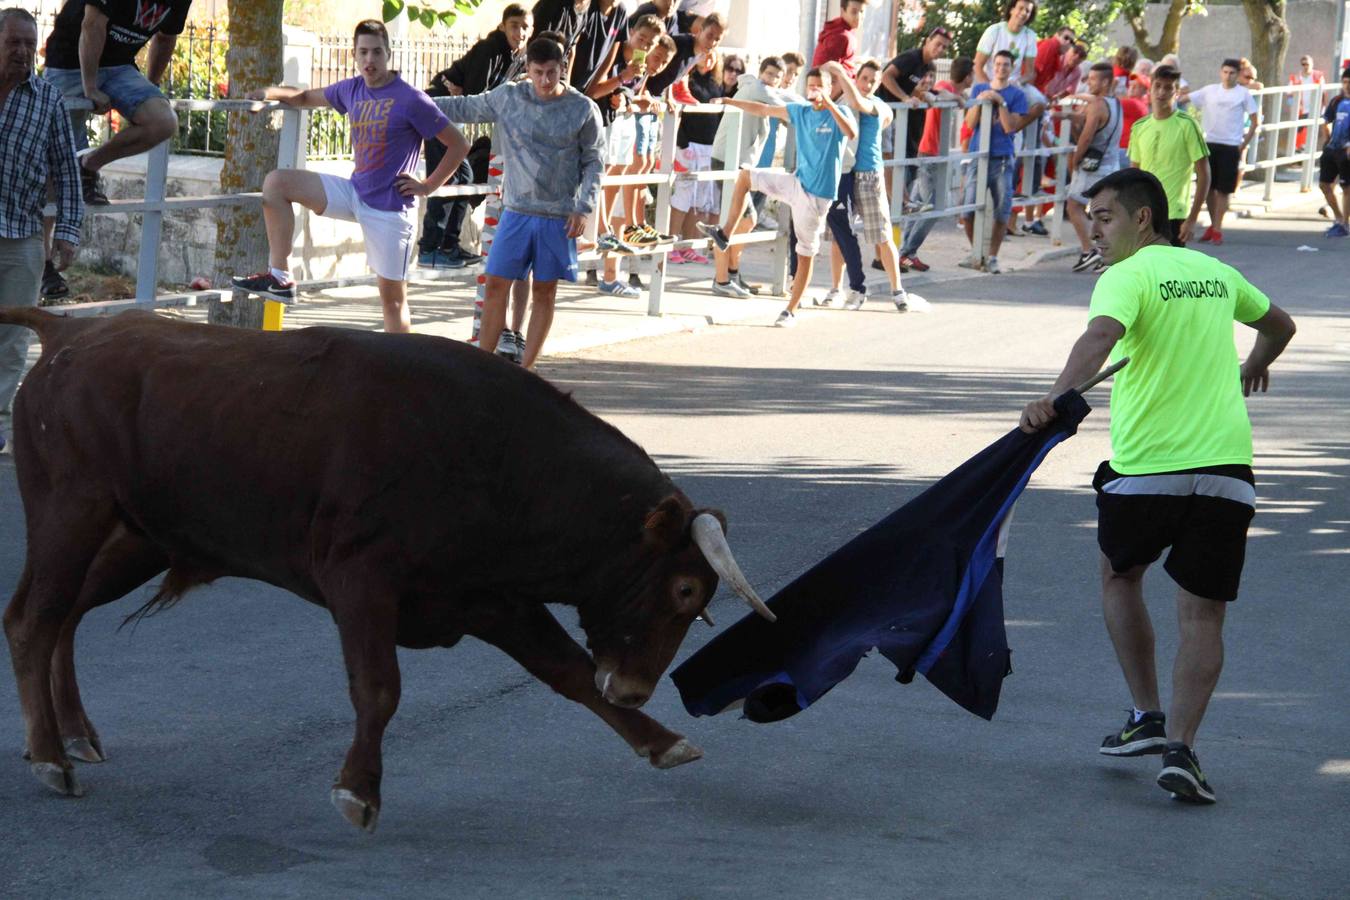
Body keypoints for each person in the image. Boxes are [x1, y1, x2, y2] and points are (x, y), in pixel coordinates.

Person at [1019, 166, 1296, 806]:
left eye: (1105, 216)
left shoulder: (1127, 275)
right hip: (1228, 472)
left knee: (1120, 576)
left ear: (1143, 218)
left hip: (1148, 470)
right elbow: (1280, 324)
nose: (1094, 228)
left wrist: (1055, 398)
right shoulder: (1216, 274)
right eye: (1091, 217)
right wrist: (1253, 365)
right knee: (1203, 614)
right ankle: (1183, 749)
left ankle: (1147, 714)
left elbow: (1099, 337)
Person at [231, 20, 469, 334]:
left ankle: (401, 374)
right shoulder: (351, 89)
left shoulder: (410, 98)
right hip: (354, 192)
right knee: (277, 183)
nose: (370, 60)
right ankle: (280, 277)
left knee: (392, 301)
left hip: (391, 208)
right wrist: (267, 92)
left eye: (377, 52)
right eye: (363, 52)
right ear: (355, 55)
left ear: (388, 53)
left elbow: (459, 144)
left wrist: (427, 186)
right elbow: (303, 97)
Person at [434, 33, 603, 368]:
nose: (544, 80)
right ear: (527, 67)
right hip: (515, 212)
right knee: (496, 284)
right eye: (537, 72)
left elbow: (595, 160)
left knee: (544, 291)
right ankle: (485, 367)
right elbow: (467, 106)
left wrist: (583, 207)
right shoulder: (509, 97)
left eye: (551, 72)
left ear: (563, 68)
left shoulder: (583, 108)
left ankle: (526, 370)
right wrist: (415, 101)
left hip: (557, 216)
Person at [38, 0, 190, 299]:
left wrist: (150, 86)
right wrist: (90, 86)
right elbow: (91, 25)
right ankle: (44, 265)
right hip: (68, 63)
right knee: (53, 173)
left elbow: (166, 37)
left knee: (163, 121)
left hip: (119, 68)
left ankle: (89, 164)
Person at [698, 66, 856, 328]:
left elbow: (851, 133)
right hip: (796, 182)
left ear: (829, 89)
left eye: (820, 86)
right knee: (745, 177)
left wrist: (829, 104)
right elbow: (763, 109)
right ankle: (725, 234)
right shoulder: (801, 111)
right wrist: (728, 100)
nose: (815, 91)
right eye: (811, 86)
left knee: (805, 253)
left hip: (817, 196)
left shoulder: (839, 114)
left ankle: (790, 310)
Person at [0, 7, 83, 453]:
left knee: (12, 339)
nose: (21, 52)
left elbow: (67, 170)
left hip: (21, 234)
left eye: (29, 46)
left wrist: (68, 229)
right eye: (13, 42)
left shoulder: (47, 99)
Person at [421, 4, 531, 269]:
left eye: (525, 27)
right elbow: (477, 96)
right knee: (446, 176)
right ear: (503, 26)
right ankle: (430, 247)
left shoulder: (518, 58)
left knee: (466, 177)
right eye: (515, 25)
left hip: (452, 116)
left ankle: (448, 246)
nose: (520, 32)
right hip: (438, 109)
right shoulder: (489, 49)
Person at [826, 59, 922, 312]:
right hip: (845, 172)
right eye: (864, 78)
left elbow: (860, 103)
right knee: (839, 235)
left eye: (873, 80)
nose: (867, 84)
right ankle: (837, 288)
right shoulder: (843, 102)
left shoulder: (879, 107)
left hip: (869, 174)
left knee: (881, 235)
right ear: (857, 78)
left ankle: (897, 290)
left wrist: (837, 71)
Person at [586, 11, 664, 297]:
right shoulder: (617, 53)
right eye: (641, 38)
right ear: (632, 32)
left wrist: (640, 100)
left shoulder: (642, 65)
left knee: (616, 190)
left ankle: (609, 274)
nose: (644, 44)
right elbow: (595, 90)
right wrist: (622, 78)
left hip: (624, 127)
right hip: (604, 125)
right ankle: (602, 248)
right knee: (603, 187)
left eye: (650, 42)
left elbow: (631, 95)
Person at [706, 54, 791, 296]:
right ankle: (722, 280)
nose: (772, 79)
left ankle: (731, 275)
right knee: (738, 220)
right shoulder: (757, 87)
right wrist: (814, 106)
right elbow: (785, 106)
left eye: (777, 76)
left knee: (740, 220)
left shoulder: (759, 90)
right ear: (761, 72)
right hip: (727, 159)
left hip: (740, 163)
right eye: (770, 74)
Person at [899, 56, 973, 272]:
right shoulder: (943, 87)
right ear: (967, 75)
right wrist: (956, 98)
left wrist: (959, 97)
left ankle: (906, 252)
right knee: (937, 206)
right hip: (929, 153)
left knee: (921, 204)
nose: (930, 79)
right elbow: (940, 91)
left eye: (931, 75)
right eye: (927, 75)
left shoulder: (950, 90)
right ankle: (907, 251)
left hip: (932, 153)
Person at [960, 49, 1030, 274]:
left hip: (1002, 158)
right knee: (967, 209)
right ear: (991, 66)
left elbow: (1011, 127)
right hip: (977, 156)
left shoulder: (1017, 95)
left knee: (1002, 209)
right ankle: (976, 252)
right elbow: (970, 124)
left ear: (1012, 68)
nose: (1001, 68)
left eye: (1006, 65)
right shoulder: (979, 88)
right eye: (998, 64)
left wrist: (1001, 103)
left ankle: (992, 256)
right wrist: (980, 103)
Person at [1128, 64, 1209, 246]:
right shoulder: (1140, 127)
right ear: (1150, 89)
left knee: (1169, 272)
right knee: (1145, 271)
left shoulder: (1187, 125)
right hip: (1145, 214)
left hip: (1174, 214)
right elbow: (1134, 175)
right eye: (1157, 86)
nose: (1161, 92)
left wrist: (1192, 218)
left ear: (1177, 93)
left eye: (1168, 88)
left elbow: (1204, 174)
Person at [1184, 60, 1259, 245]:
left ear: (1238, 74)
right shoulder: (1210, 90)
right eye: (1225, 72)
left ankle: (1217, 228)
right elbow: (1184, 98)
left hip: (1230, 145)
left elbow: (1255, 120)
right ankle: (1213, 224)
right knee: (1208, 187)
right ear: (1220, 73)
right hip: (1209, 143)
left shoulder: (1243, 94)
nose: (1228, 76)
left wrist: (1243, 144)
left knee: (1224, 190)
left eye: (1232, 73)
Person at [1064, 63, 1122, 272]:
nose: (1089, 82)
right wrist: (1071, 116)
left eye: (1094, 79)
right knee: (1102, 213)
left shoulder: (1097, 104)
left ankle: (1091, 251)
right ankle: (1109, 254)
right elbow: (1097, 121)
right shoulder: (1115, 103)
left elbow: (1087, 136)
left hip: (1092, 166)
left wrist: (1076, 159)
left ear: (1105, 82)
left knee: (1074, 205)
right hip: (1110, 164)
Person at [1316, 67, 1350, 237]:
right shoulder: (1337, 101)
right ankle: (1338, 218)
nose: (1347, 86)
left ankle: (1345, 223)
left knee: (1346, 188)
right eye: (1345, 82)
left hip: (1347, 151)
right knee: (1324, 184)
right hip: (1332, 149)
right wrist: (1327, 138)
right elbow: (1326, 120)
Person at [974, 0, 1038, 86]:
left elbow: (1029, 73)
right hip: (990, 82)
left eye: (1027, 11)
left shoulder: (1030, 36)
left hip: (1014, 85)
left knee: (1038, 99)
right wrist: (989, 88)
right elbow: (977, 66)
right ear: (1011, 10)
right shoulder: (994, 31)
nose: (1023, 13)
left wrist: (1017, 83)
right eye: (1021, 8)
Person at [810, 0, 866, 77]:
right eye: (854, 12)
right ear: (843, 11)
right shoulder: (841, 36)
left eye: (862, 11)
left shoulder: (840, 31)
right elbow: (827, 71)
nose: (859, 17)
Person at [1288, 55, 1326, 150]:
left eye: (1307, 64)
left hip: (1314, 109)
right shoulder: (1296, 78)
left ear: (1312, 64)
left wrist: (1323, 108)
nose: (1305, 66)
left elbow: (1323, 93)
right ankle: (1296, 159)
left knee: (1310, 134)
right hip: (1300, 110)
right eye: (1303, 64)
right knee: (1298, 134)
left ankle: (1307, 156)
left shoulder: (1318, 76)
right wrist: (1292, 106)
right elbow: (1288, 94)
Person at [1032, 25, 1074, 93]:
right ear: (1056, 36)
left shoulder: (1056, 54)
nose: (1068, 42)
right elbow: (1032, 71)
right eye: (1066, 38)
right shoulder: (1051, 45)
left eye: (1071, 42)